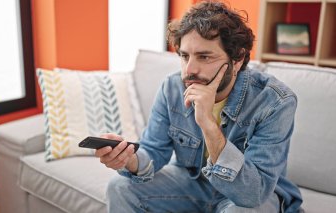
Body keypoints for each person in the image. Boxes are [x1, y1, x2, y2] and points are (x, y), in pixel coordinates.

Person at [95, 1, 303, 212]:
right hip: (194, 183)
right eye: (185, 56)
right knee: (120, 187)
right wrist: (128, 159)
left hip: (247, 193)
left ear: (238, 58)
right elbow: (154, 150)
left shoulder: (275, 101)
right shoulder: (173, 86)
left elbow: (252, 193)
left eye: (204, 57)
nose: (189, 70)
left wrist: (208, 124)